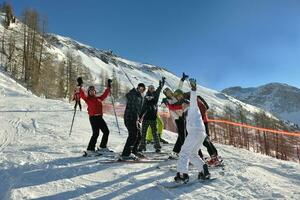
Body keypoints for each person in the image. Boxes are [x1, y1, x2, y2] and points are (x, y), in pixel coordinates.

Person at [175, 78, 210, 183]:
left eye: (184, 104)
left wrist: (193, 89)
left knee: (184, 152)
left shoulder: (193, 108)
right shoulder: (187, 114)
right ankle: (204, 171)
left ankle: (182, 174)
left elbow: (193, 100)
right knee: (193, 154)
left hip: (196, 132)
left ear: (188, 104)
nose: (182, 106)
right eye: (182, 105)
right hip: (200, 133)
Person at [77, 78, 112, 155]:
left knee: (106, 131)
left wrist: (109, 87)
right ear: (89, 92)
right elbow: (82, 94)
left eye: (93, 90)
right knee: (96, 133)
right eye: (90, 91)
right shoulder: (87, 99)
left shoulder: (99, 98)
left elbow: (105, 95)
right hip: (93, 118)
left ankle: (102, 147)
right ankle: (90, 149)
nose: (92, 92)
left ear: (95, 92)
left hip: (100, 117)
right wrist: (80, 86)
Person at [138, 77, 165, 153]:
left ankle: (157, 147)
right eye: (150, 88)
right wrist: (140, 117)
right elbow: (143, 108)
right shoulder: (145, 97)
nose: (152, 89)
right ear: (148, 89)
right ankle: (142, 146)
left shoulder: (155, 96)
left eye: (153, 88)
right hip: (146, 118)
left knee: (155, 133)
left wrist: (161, 85)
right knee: (143, 133)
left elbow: (159, 90)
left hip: (153, 118)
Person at [121, 83, 146, 160]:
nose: (140, 90)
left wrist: (140, 117)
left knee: (139, 135)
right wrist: (133, 91)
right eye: (139, 88)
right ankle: (126, 153)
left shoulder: (141, 97)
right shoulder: (133, 94)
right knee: (133, 134)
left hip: (136, 118)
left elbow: (140, 109)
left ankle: (134, 151)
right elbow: (128, 96)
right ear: (137, 88)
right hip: (130, 116)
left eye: (142, 89)